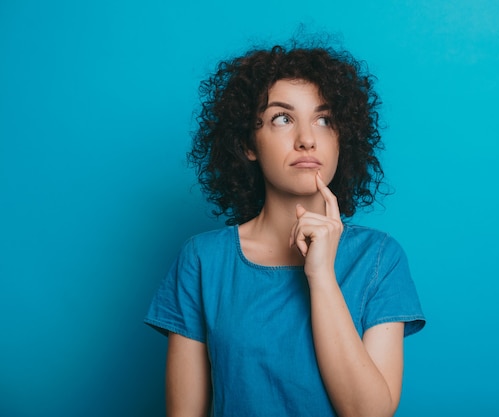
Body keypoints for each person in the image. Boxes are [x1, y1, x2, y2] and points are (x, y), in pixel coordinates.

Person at [145, 39, 426, 417]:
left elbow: (368, 413)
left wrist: (322, 276)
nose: (307, 139)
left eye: (324, 120)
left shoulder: (379, 259)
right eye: (283, 118)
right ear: (248, 143)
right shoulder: (203, 260)